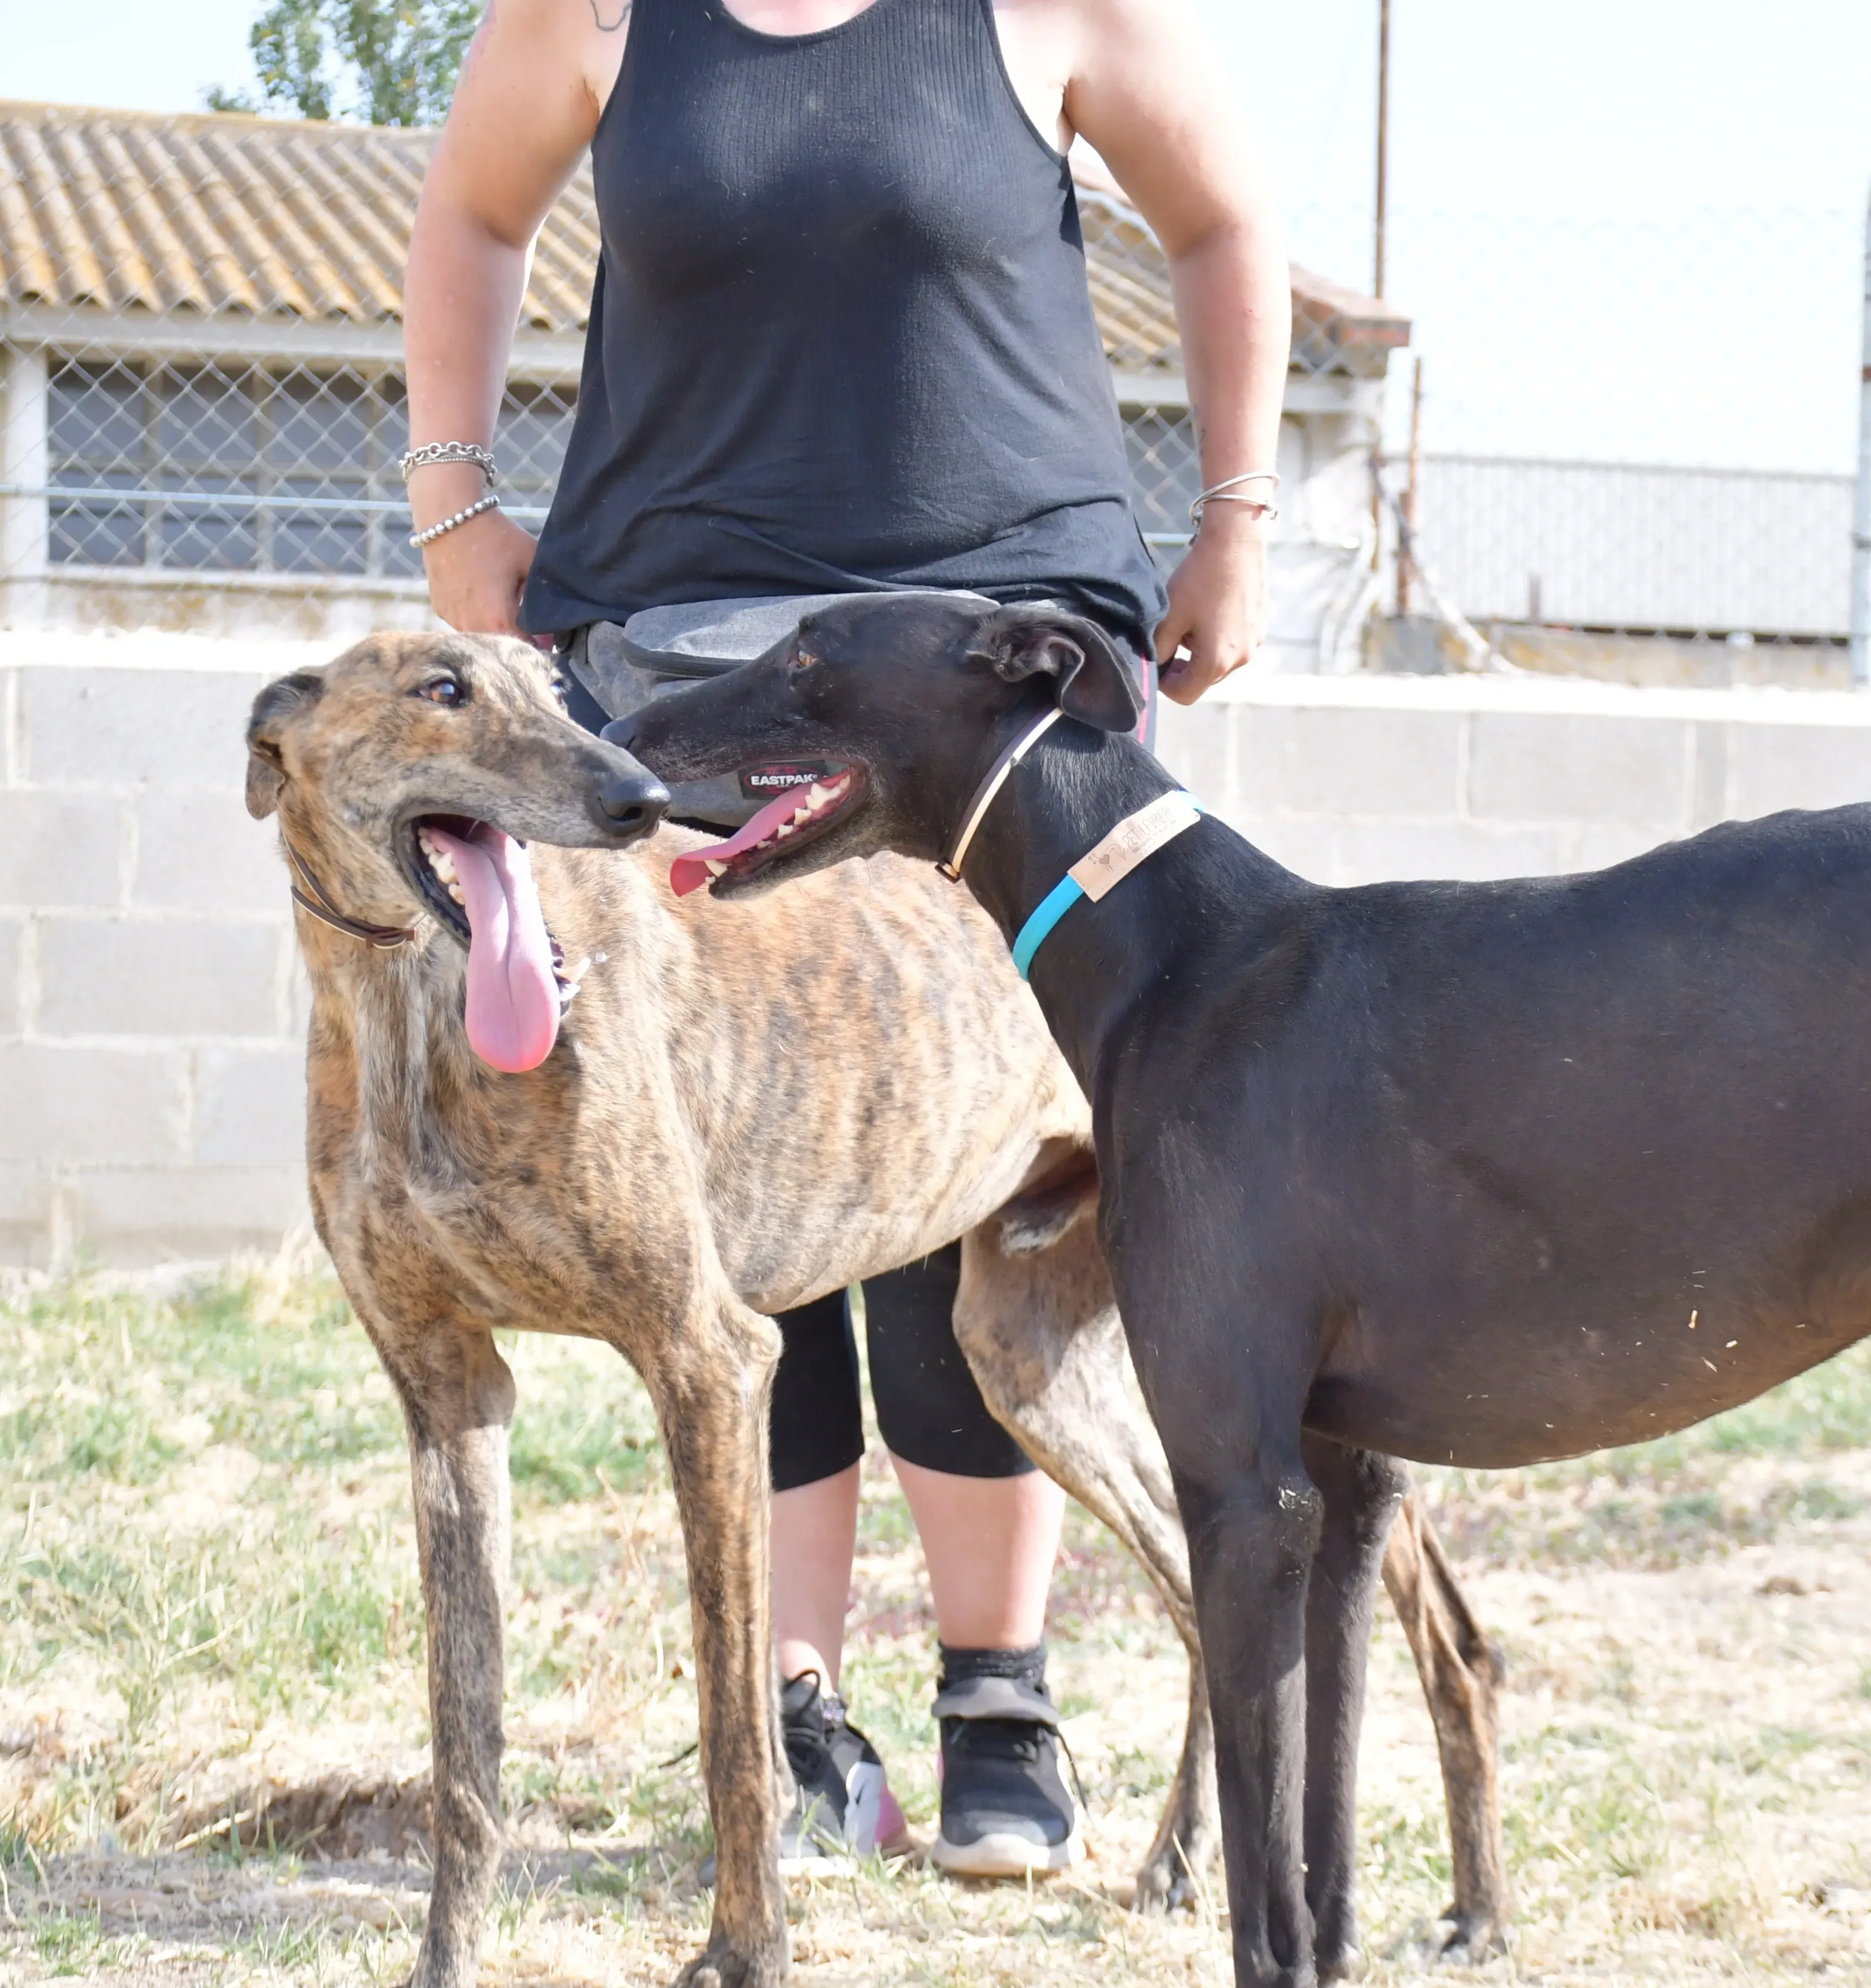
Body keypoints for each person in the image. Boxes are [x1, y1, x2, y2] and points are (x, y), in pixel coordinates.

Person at [399, 0, 1283, 1877]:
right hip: (684, 665)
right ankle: (791, 1720)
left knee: (977, 1171)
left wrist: (1238, 520)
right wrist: (455, 502)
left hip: (1000, 676)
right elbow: (470, 214)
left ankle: (999, 1703)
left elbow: (1222, 220)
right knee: (740, 1170)